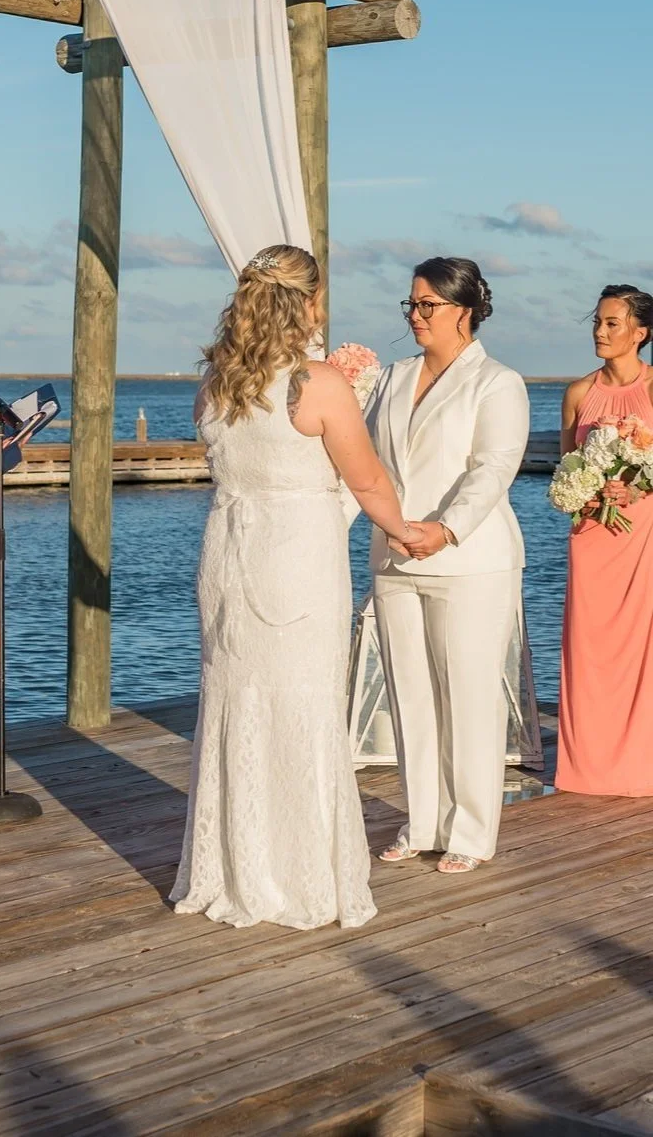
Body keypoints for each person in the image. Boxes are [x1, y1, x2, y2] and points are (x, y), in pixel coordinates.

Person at [171, 245, 411, 931]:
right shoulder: (319, 383)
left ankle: (236, 869)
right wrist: (405, 531)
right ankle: (304, 875)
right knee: (304, 701)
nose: (323, 309)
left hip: (229, 553)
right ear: (303, 302)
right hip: (297, 556)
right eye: (319, 296)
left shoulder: (217, 382)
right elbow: (366, 478)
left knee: (236, 699)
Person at [368, 257, 529, 876]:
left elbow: (493, 468)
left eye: (427, 304)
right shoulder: (391, 378)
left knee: (468, 696)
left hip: (470, 559)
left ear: (465, 309)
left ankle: (470, 830)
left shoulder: (498, 382)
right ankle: (422, 821)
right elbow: (367, 463)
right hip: (394, 556)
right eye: (410, 304)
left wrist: (446, 528)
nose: (415, 315)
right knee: (410, 696)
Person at [556, 285, 653, 795]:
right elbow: (564, 470)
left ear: (640, 333)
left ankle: (640, 763)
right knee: (589, 647)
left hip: (642, 537)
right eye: (597, 321)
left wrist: (634, 487)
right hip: (591, 534)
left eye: (612, 323)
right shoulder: (578, 393)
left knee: (641, 647)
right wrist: (584, 492)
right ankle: (587, 766)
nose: (600, 330)